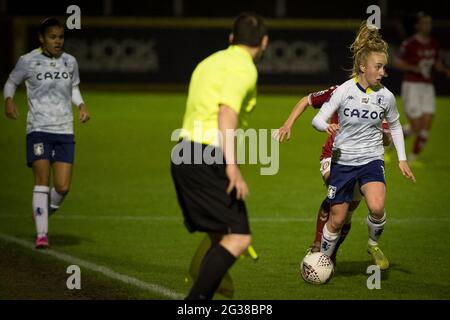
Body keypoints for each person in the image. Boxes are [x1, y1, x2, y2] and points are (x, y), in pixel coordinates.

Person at [170, 12, 268, 300]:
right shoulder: (244, 69)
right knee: (238, 238)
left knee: (220, 234)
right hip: (207, 155)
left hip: (183, 153)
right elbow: (226, 112)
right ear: (264, 42)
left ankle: (207, 281)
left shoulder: (208, 63)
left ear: (231, 38)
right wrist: (232, 167)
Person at [311, 23, 416, 271]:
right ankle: (324, 260)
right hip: (343, 162)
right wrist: (325, 127)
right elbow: (317, 118)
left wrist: (401, 159)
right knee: (336, 220)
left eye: (384, 68)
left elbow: (396, 126)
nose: (382, 73)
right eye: (378, 67)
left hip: (371, 160)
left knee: (377, 207)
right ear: (363, 67)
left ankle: (372, 243)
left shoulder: (386, 96)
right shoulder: (344, 91)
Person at [273, 86, 391, 264]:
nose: (380, 73)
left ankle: (331, 254)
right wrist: (287, 124)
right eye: (377, 67)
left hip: (363, 161)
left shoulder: (379, 99)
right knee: (334, 194)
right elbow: (307, 100)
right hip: (333, 156)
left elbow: (386, 140)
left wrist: (385, 135)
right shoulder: (340, 90)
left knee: (347, 214)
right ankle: (317, 245)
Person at [3, 18, 90, 249]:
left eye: (60, 37)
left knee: (62, 187)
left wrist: (80, 105)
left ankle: (41, 211)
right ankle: (42, 234)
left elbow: (73, 88)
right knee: (42, 180)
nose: (57, 41)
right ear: (42, 38)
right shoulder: (28, 61)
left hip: (64, 129)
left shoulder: (70, 62)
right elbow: (11, 82)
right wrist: (9, 100)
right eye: (52, 37)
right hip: (38, 129)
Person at [394, 12, 450, 161]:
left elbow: (436, 62)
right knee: (416, 126)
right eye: (424, 23)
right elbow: (397, 61)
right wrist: (413, 68)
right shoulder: (410, 43)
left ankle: (413, 158)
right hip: (412, 85)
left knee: (427, 123)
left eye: (429, 23)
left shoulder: (433, 43)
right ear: (417, 25)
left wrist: (444, 69)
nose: (428, 26)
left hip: (427, 86)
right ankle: (391, 140)